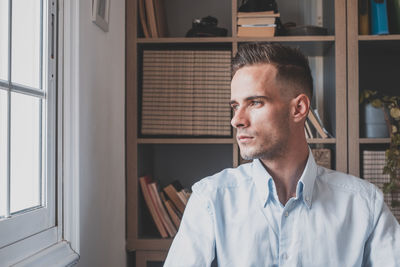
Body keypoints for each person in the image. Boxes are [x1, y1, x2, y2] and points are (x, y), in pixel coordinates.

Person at [163, 43, 400, 266]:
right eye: (235, 106)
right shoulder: (211, 199)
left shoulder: (364, 204)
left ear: (298, 108)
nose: (236, 120)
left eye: (255, 102)